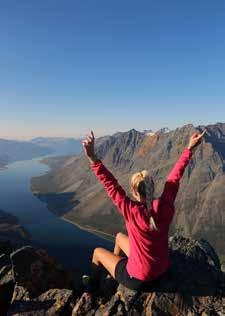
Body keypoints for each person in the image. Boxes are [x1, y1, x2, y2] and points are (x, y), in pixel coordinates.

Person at [82, 129, 206, 291]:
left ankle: (93, 286)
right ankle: (113, 275)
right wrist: (189, 149)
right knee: (119, 237)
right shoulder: (165, 206)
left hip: (139, 279)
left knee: (97, 253)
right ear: (153, 188)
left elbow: (111, 185)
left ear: (134, 192)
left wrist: (92, 157)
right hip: (161, 270)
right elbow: (175, 178)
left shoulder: (131, 210)